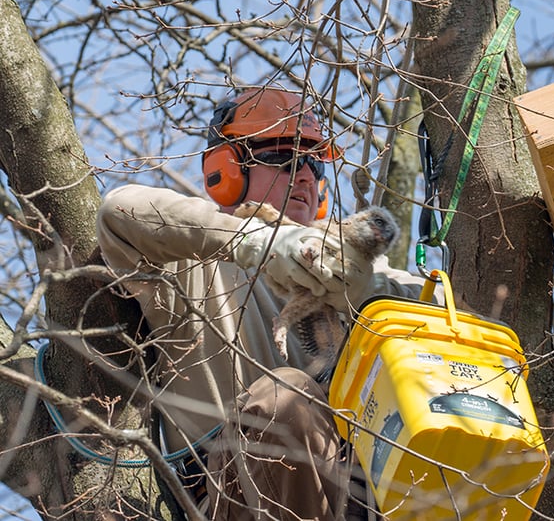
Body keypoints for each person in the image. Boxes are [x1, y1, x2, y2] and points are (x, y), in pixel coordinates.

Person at [96, 86, 430, 520]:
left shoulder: (363, 274)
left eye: (313, 161)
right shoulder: (193, 263)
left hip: (367, 498)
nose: (306, 174)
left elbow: (461, 317)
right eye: (283, 157)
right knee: (285, 396)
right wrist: (259, 244)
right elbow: (119, 213)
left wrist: (362, 290)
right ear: (228, 169)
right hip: (240, 495)